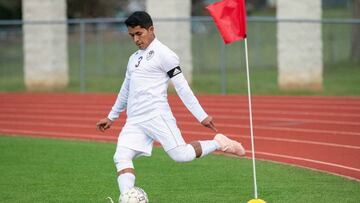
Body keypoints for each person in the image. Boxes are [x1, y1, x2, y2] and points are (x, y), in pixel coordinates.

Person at [96, 11, 245, 197]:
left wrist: (201, 115)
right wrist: (112, 116)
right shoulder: (133, 59)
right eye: (132, 35)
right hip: (134, 121)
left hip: (157, 116)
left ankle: (218, 143)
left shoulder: (165, 55)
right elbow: (125, 89)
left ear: (151, 30)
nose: (135, 39)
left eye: (139, 34)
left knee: (181, 155)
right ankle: (129, 199)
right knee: (121, 157)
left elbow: (182, 88)